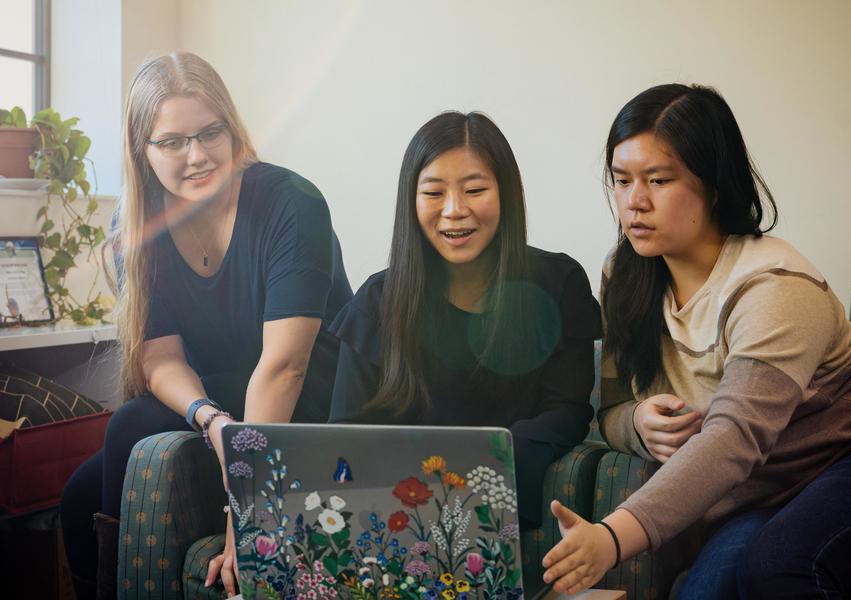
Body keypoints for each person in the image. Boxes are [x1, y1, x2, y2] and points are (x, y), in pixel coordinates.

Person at [542, 83, 851, 599]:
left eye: (658, 180)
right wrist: (639, 422)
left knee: (782, 569)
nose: (634, 202)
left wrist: (611, 537)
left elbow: (734, 438)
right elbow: (613, 410)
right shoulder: (625, 274)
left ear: (712, 184)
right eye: (621, 181)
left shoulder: (773, 286)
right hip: (765, 490)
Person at [60, 52, 352, 599]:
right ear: (142, 151)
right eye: (171, 142)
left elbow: (285, 366)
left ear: (231, 128)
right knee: (79, 496)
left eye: (210, 133)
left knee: (126, 428)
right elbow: (161, 359)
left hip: (310, 397)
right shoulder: (137, 224)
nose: (196, 156)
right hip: (221, 396)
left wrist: (247, 514)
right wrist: (212, 422)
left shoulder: (292, 201)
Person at [328, 111, 601, 528]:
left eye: (475, 189)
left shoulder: (557, 284)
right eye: (433, 193)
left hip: (509, 513)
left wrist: (485, 469)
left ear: (506, 194)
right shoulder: (378, 303)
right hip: (395, 524)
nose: (454, 211)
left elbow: (566, 411)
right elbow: (345, 437)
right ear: (411, 201)